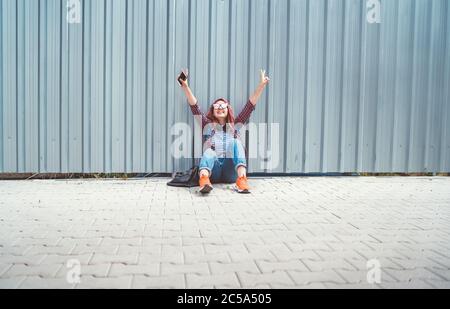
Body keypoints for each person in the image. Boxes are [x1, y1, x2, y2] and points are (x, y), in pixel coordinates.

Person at [179, 69, 270, 194]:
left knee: (235, 143)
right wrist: (185, 87)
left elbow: (250, 106)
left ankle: (242, 180)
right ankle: (204, 180)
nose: (220, 108)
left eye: (223, 106)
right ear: (213, 110)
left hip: (230, 171)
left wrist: (261, 85)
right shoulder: (208, 125)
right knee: (209, 151)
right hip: (214, 171)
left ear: (228, 110)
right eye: (217, 106)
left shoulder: (235, 125)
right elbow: (195, 107)